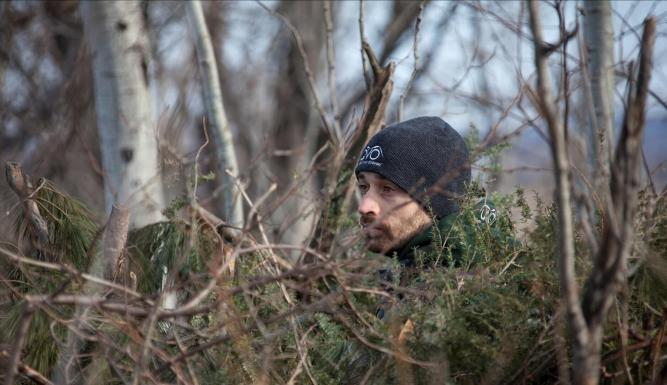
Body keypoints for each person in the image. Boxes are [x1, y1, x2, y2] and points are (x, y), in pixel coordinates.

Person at [355, 116, 475, 267]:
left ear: (436, 202)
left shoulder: (459, 284)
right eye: (364, 187)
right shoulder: (407, 278)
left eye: (387, 189)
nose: (364, 207)